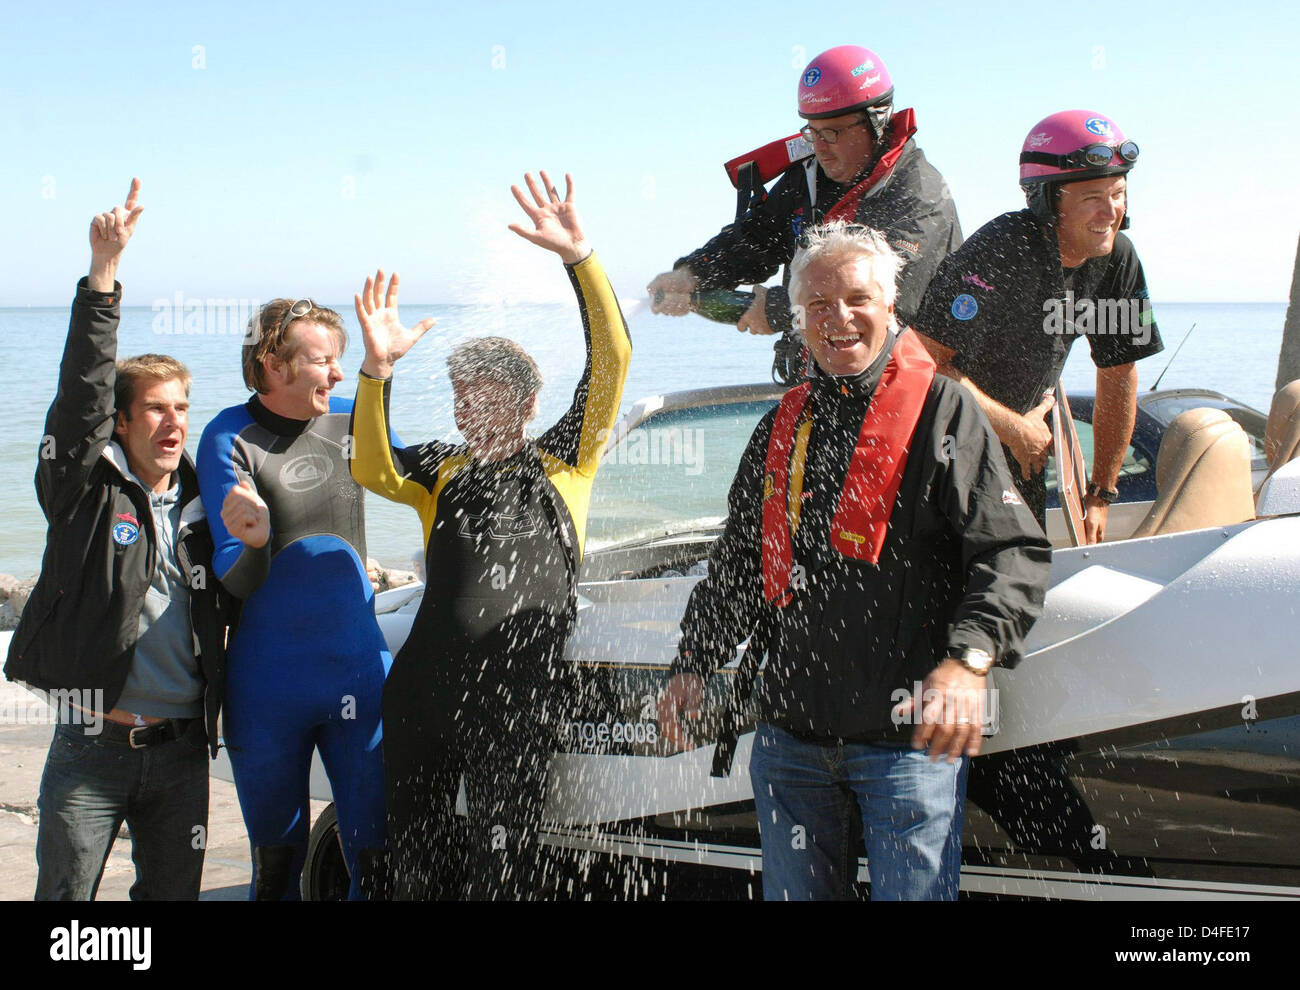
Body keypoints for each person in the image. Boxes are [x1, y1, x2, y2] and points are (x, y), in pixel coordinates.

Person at [657, 221, 1051, 900]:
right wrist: (694, 663)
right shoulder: (781, 424)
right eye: (817, 305)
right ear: (799, 321)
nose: (838, 319)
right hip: (789, 743)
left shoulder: (942, 412)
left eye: (857, 300)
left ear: (891, 307)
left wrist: (970, 661)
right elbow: (741, 568)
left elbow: (1012, 550)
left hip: (905, 744)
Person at [349, 171, 631, 899]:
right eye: (461, 395)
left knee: (506, 875)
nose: (472, 409)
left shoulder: (567, 456)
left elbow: (613, 361)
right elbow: (370, 466)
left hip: (516, 702)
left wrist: (581, 260)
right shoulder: (441, 472)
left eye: (491, 393)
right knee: (417, 870)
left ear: (530, 400)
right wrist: (376, 373)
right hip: (421, 697)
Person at [5, 179, 229, 900]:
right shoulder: (80, 493)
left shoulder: (211, 499)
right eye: (155, 410)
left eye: (183, 409)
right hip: (90, 748)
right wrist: (102, 280)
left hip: (183, 755)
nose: (174, 423)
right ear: (122, 424)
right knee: (65, 909)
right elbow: (80, 398)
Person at [197, 286, 391, 900]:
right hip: (268, 685)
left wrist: (380, 368)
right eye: (321, 360)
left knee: (379, 859)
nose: (336, 372)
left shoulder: (347, 420)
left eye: (341, 358)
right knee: (278, 866)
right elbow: (235, 576)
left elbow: (410, 474)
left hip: (360, 671)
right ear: (272, 365)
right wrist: (252, 541)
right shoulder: (229, 435)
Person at [913, 110, 1165, 539]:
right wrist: (1014, 429)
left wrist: (1101, 492)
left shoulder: (1117, 259)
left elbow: (1119, 374)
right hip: (941, 449)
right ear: (1049, 201)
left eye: (1118, 193)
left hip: (1023, 453)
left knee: (1019, 581)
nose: (1111, 212)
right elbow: (922, 362)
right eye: (1092, 198)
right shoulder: (1003, 248)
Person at [647, 44, 962, 384]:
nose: (820, 147)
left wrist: (780, 309)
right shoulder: (809, 176)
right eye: (812, 132)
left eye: (833, 133)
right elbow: (755, 239)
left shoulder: (921, 194)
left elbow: (890, 295)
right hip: (821, 378)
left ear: (877, 120)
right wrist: (692, 275)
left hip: (903, 384)